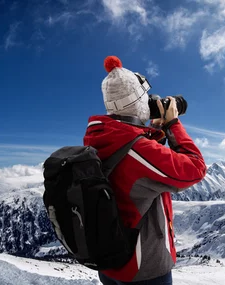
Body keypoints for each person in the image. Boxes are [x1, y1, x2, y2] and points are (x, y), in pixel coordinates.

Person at [83, 55, 207, 284]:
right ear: (139, 102)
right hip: (143, 269)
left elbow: (135, 176)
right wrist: (173, 125)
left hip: (111, 264)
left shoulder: (101, 140)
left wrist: (154, 132)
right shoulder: (137, 151)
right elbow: (196, 169)